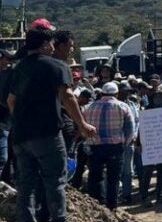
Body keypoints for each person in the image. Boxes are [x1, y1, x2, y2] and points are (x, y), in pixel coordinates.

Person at [7, 29, 97, 222]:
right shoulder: (57, 66)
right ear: (46, 45)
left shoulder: (18, 68)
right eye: (51, 43)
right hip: (47, 133)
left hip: (21, 136)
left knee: (26, 184)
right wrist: (82, 124)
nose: (53, 46)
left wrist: (22, 121)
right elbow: (68, 97)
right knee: (55, 181)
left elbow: (11, 101)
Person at [82, 82, 135, 211]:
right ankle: (111, 207)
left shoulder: (89, 107)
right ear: (116, 94)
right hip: (115, 148)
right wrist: (125, 143)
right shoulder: (123, 106)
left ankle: (96, 206)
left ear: (102, 93)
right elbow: (130, 129)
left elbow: (83, 126)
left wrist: (88, 141)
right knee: (113, 178)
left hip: (95, 147)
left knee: (95, 176)